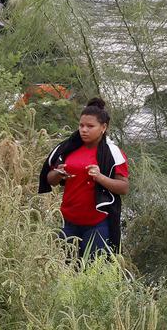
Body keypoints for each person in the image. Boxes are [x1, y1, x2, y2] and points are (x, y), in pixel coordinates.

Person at [38, 97, 129, 259]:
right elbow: (50, 180)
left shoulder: (112, 152)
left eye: (90, 126)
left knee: (94, 273)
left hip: (97, 223)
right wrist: (58, 173)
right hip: (68, 222)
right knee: (65, 272)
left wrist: (100, 177)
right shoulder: (67, 148)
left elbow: (124, 187)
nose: (84, 130)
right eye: (81, 125)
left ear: (103, 127)